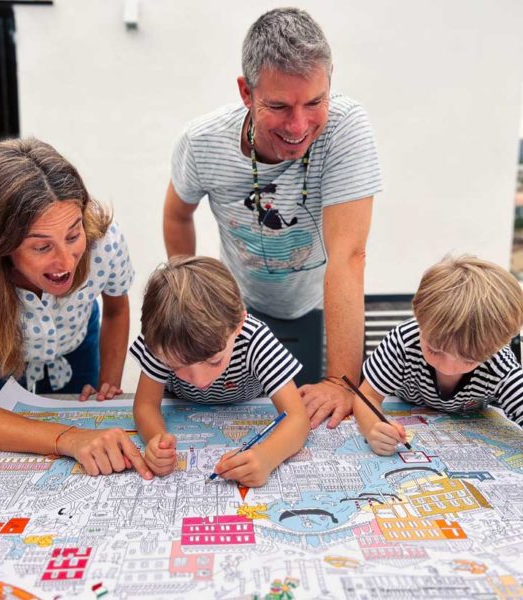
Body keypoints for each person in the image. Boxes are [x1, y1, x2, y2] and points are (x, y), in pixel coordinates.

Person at [163, 7, 382, 430]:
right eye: (279, 106)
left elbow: (349, 256)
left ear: (330, 80)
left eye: (315, 102)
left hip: (309, 305)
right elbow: (177, 214)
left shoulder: (347, 127)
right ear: (246, 92)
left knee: (304, 418)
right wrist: (186, 293)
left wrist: (341, 381)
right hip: (238, 311)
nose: (299, 126)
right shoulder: (201, 141)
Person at [0, 138, 152, 478]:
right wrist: (69, 438)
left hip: (75, 345)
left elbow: (116, 310)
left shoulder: (104, 239)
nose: (65, 262)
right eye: (42, 246)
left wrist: (108, 383)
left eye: (73, 236)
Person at [130, 256, 310, 487]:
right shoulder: (163, 339)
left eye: (213, 361)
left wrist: (266, 457)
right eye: (176, 366)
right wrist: (156, 439)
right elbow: (145, 404)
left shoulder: (256, 339)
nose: (199, 380)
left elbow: (296, 417)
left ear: (238, 326)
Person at [354, 256, 523, 455]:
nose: (447, 367)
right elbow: (367, 396)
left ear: (495, 347)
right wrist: (373, 427)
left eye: (468, 359)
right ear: (420, 320)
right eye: (434, 349)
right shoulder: (404, 341)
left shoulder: (500, 364)